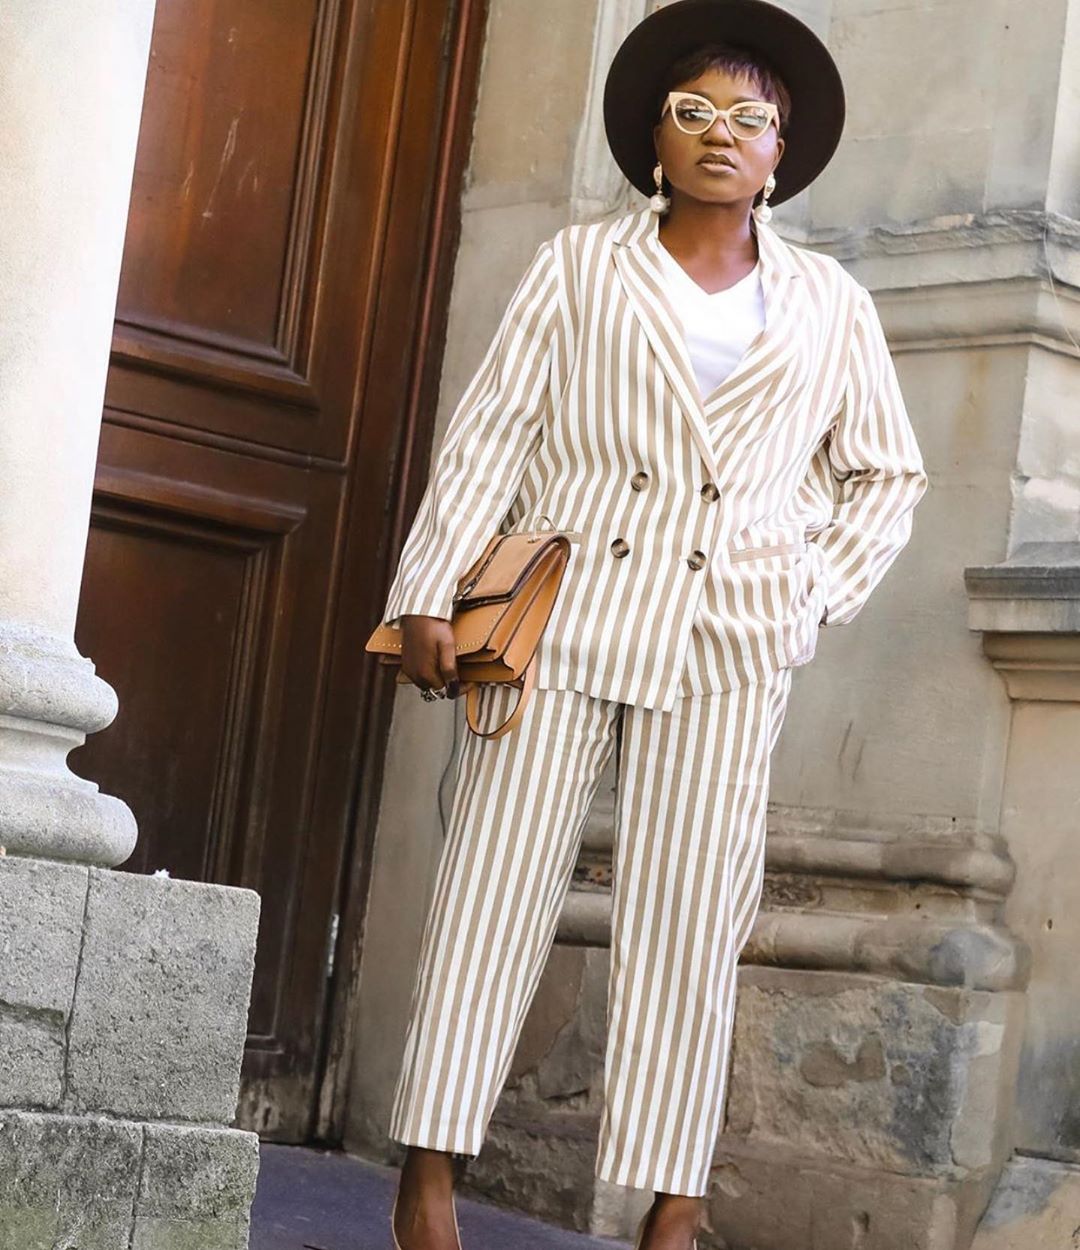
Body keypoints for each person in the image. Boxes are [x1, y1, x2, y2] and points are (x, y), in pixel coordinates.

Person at [384, 2, 928, 1247]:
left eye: (749, 117)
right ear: (655, 137)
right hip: (556, 618)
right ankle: (427, 1174)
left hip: (728, 639)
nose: (720, 133)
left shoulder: (830, 301)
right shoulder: (579, 265)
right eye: (694, 112)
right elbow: (492, 433)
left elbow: (887, 474)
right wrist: (426, 588)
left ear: (780, 148)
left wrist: (808, 592)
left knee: (692, 916)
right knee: (490, 887)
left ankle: (673, 1204)